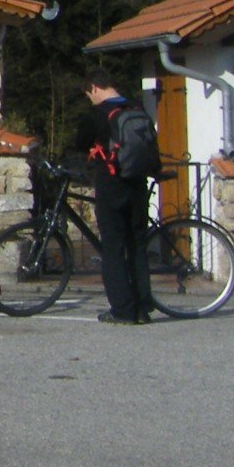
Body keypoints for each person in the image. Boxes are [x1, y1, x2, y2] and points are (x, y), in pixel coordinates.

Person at [79, 73, 153, 324]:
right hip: (138, 183)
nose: (90, 99)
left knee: (112, 248)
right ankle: (143, 307)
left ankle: (123, 309)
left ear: (94, 87)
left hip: (111, 184)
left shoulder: (98, 114)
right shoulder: (136, 107)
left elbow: (79, 143)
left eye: (89, 94)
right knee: (137, 246)